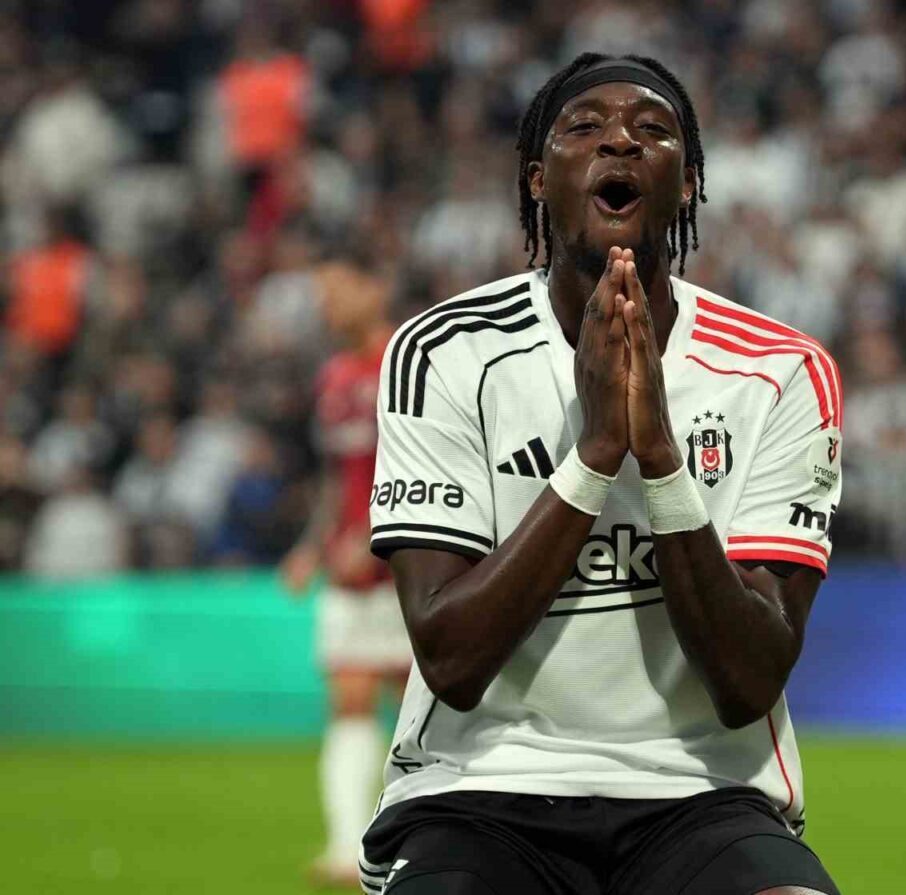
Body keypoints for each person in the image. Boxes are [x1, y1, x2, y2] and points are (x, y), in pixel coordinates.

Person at [360, 54, 844, 895]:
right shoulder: (444, 353)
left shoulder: (780, 371)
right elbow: (452, 657)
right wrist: (592, 457)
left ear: (686, 185)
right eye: (584, 127)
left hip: (703, 794)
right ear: (538, 179)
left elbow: (749, 681)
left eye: (652, 130)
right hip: (478, 791)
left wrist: (658, 458)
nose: (620, 140)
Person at [280, 251, 412, 888]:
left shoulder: (407, 362)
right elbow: (337, 479)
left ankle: (418, 842)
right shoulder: (333, 377)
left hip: (408, 568)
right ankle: (345, 847)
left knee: (420, 711)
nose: (325, 307)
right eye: (320, 296)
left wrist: (377, 531)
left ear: (374, 287)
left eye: (336, 291)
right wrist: (312, 544)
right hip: (346, 571)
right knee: (350, 701)